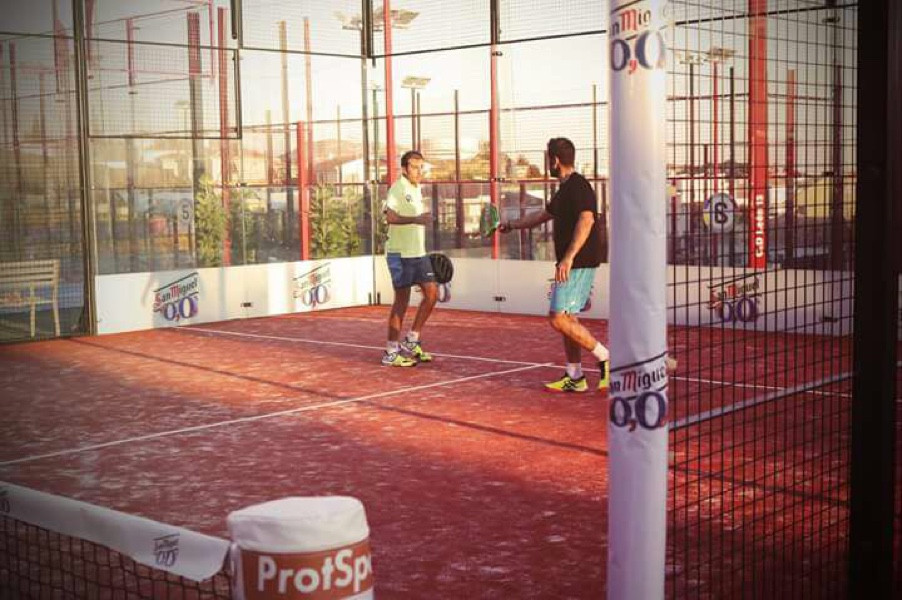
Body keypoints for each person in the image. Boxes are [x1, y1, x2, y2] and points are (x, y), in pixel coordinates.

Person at [499, 137, 610, 392]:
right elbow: (543, 215)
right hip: (573, 262)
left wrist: (569, 257)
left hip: (577, 262)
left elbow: (587, 220)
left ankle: (605, 357)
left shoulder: (578, 186)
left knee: (557, 318)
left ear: (555, 160)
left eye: (548, 158)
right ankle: (575, 376)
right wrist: (511, 225)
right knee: (568, 318)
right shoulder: (566, 189)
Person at [381, 150, 438, 367]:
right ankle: (391, 352)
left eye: (421, 167)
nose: (419, 171)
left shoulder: (416, 188)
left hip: (418, 253)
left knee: (432, 294)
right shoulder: (398, 188)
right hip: (399, 254)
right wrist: (416, 219)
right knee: (401, 302)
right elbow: (390, 217)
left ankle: (412, 340)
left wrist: (420, 219)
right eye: (414, 167)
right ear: (404, 169)